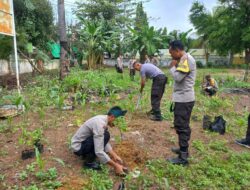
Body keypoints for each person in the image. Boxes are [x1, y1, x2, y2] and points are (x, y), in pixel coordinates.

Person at [71, 106, 127, 175]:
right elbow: (99, 151)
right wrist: (116, 166)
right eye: (115, 119)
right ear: (112, 116)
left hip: (83, 142)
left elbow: (102, 140)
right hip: (78, 147)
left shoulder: (102, 119)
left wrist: (114, 155)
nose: (114, 122)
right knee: (106, 135)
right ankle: (88, 163)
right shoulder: (100, 124)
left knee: (105, 135)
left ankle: (86, 154)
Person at [167, 40, 196, 166]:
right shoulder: (184, 59)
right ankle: (183, 149)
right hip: (182, 98)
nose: (171, 55)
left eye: (171, 52)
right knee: (181, 125)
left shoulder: (187, 60)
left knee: (182, 126)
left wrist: (172, 67)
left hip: (184, 99)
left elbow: (178, 77)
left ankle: (183, 158)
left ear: (177, 50)